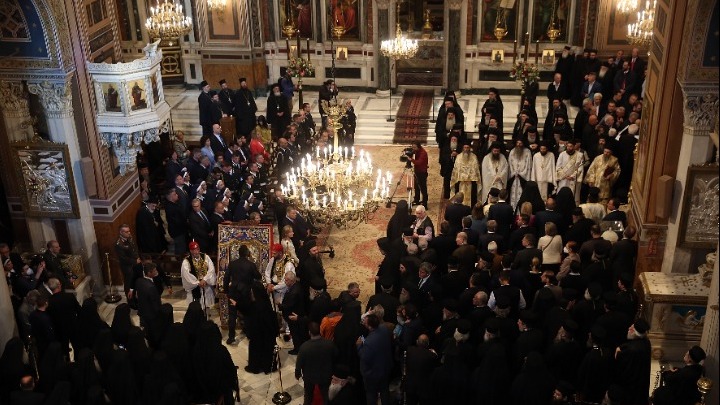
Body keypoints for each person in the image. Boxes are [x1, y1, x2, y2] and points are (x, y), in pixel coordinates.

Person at [224, 244, 261, 344]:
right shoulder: (251, 264)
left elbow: (226, 278)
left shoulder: (232, 264)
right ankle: (248, 334)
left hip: (233, 292)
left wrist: (226, 291)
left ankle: (231, 337)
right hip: (245, 293)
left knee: (232, 315)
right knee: (247, 313)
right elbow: (258, 276)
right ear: (247, 253)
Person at [295, 321, 338, 404]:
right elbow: (336, 357)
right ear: (320, 331)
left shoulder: (304, 347)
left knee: (308, 395)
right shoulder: (330, 344)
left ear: (309, 332)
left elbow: (299, 363)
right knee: (325, 395)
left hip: (309, 376)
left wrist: (297, 373)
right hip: (325, 375)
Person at [244, 280, 279, 374]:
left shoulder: (256, 306)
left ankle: (255, 367)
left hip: (259, 335)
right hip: (267, 335)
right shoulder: (266, 302)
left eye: (252, 292)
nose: (251, 294)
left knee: (257, 349)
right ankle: (267, 366)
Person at [357, 313, 393, 405]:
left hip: (372, 374)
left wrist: (359, 346)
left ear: (369, 326)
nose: (363, 323)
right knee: (384, 391)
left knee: (371, 395)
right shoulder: (384, 329)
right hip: (385, 368)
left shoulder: (369, 342)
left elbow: (364, 356)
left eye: (365, 323)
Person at [614, 319, 651, 405]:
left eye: (632, 327)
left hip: (631, 386)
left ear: (635, 332)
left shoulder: (631, 350)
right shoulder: (646, 342)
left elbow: (620, 363)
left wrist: (618, 352)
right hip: (641, 382)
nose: (629, 328)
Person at [181, 240, 216, 311]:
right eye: (194, 250)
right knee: (196, 307)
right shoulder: (186, 261)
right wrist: (197, 283)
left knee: (207, 305)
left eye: (197, 249)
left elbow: (211, 269)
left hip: (206, 284)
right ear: (191, 251)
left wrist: (205, 279)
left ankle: (206, 315)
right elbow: (186, 274)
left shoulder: (205, 257)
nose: (196, 252)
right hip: (195, 286)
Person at [280, 270, 308, 354]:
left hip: (294, 315)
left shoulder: (294, 291)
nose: (285, 282)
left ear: (291, 280)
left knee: (296, 333)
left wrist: (280, 305)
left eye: (286, 280)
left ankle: (297, 349)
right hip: (295, 314)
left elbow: (289, 305)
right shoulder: (296, 286)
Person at [450, 142, 482, 207]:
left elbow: (475, 170)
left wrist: (468, 177)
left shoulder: (474, 157)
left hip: (471, 183)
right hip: (461, 183)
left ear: (470, 148)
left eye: (467, 148)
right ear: (463, 148)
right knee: (459, 198)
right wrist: (463, 177)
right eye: (465, 147)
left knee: (472, 200)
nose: (466, 149)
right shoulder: (458, 157)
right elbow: (456, 169)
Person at [115, 224, 141, 298]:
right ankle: (130, 299)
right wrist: (135, 261)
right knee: (129, 283)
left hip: (136, 263)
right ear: (121, 232)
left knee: (136, 281)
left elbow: (135, 249)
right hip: (128, 267)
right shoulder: (119, 244)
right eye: (126, 232)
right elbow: (123, 258)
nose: (129, 233)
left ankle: (136, 296)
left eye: (129, 231)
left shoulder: (130, 238)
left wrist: (138, 258)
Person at [508, 140, 532, 209]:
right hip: (514, 177)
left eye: (520, 143)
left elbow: (528, 166)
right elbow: (510, 164)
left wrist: (521, 174)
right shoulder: (512, 151)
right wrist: (514, 172)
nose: (518, 144)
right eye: (517, 143)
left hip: (523, 178)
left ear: (523, 143)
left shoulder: (527, 152)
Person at [408, 142, 429, 208]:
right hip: (417, 171)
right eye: (412, 147)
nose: (413, 149)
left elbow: (418, 162)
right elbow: (412, 151)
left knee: (423, 188)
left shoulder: (423, 153)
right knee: (416, 186)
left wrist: (411, 160)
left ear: (418, 147)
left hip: (422, 172)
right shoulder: (417, 150)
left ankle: (425, 203)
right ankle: (416, 200)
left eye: (414, 147)